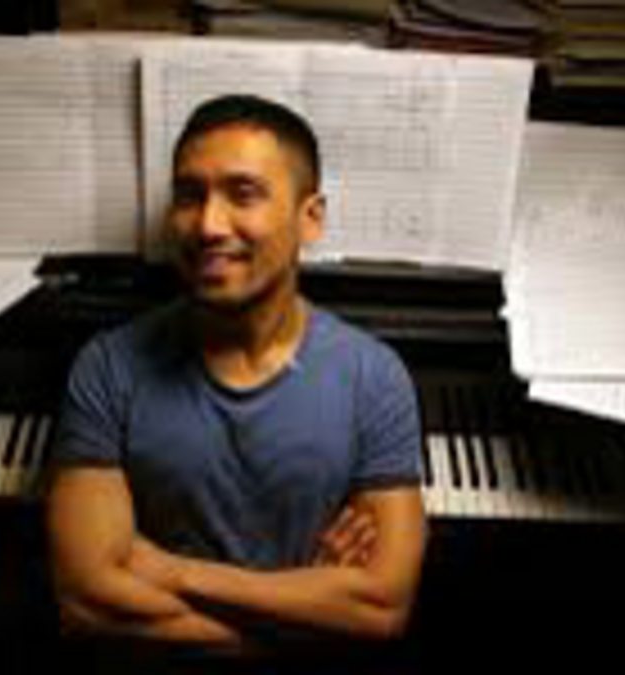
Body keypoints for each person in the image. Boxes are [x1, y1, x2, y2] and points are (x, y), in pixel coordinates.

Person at [44, 94, 426, 661]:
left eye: (243, 194)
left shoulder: (374, 376)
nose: (208, 225)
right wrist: (307, 612)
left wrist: (172, 571)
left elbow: (380, 608)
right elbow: (87, 602)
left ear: (310, 218)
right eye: (189, 195)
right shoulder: (107, 367)